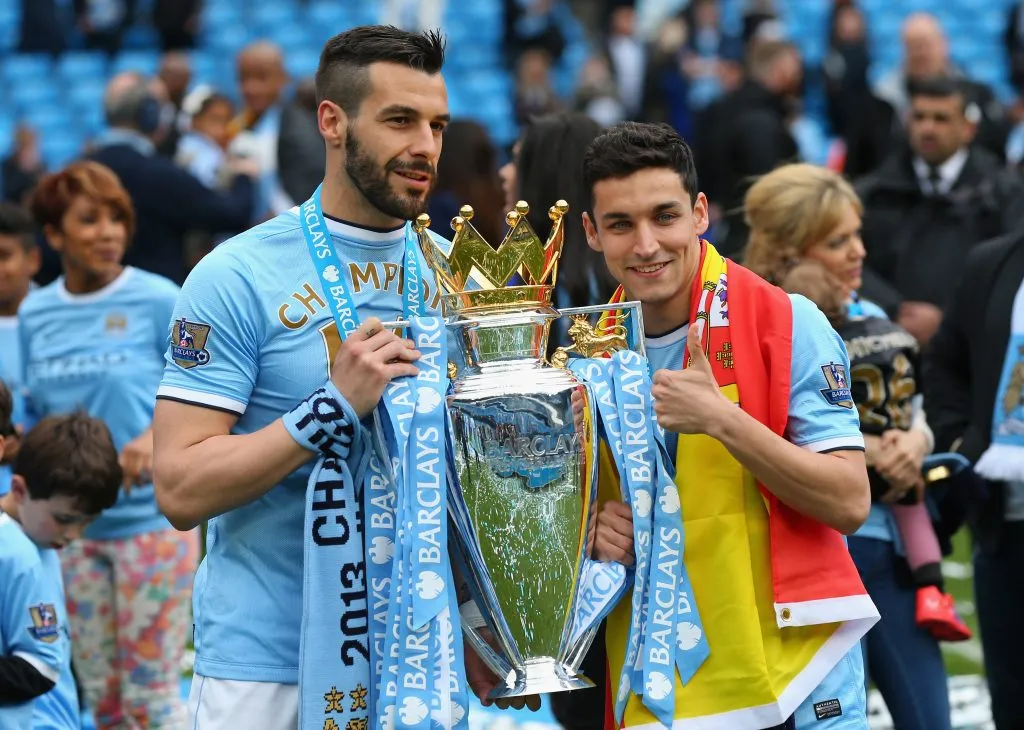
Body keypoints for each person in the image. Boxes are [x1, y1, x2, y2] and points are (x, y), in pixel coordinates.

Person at [152, 26, 533, 729]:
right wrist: (326, 410)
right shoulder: (237, 273)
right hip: (267, 669)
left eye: (437, 124)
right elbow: (177, 488)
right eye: (399, 120)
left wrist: (486, 623)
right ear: (332, 122)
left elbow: (470, 484)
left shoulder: (458, 275)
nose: (425, 146)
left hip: (418, 658)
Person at [584, 123, 876, 729]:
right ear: (591, 233)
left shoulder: (787, 320)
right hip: (661, 684)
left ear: (700, 214)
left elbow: (848, 500)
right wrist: (590, 529)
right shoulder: (588, 350)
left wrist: (723, 420)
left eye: (664, 216)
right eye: (620, 224)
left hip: (794, 674)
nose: (645, 245)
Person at [743, 163, 958, 730]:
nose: (859, 252)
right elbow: (755, 426)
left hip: (891, 543)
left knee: (929, 716)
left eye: (857, 235)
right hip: (810, 550)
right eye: (838, 241)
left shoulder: (870, 312)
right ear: (791, 247)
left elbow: (915, 402)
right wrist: (863, 446)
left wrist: (916, 438)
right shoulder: (749, 317)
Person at [21, 161, 199, 729]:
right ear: (53, 235)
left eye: (116, 220)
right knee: (100, 700)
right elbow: (35, 416)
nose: (108, 233)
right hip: (70, 535)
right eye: (89, 220)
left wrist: (152, 436)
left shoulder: (158, 298)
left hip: (151, 527)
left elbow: (203, 394)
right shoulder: (35, 313)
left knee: (150, 698)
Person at [924, 229, 1024, 730]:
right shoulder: (992, 261)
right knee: (1011, 690)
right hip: (1005, 521)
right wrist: (963, 443)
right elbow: (944, 362)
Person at [0, 403, 122, 730]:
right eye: (65, 519)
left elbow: (40, 667)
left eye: (85, 523)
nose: (73, 536)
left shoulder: (24, 553)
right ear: (20, 490)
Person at [499, 111, 618, 352]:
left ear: (545, 178)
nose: (504, 172)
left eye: (517, 160)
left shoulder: (582, 289)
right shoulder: (528, 270)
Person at [0, 203, 40, 497]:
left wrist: (33, 441)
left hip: (48, 497)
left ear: (33, 259)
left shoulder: (59, 320)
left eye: (4, 256)